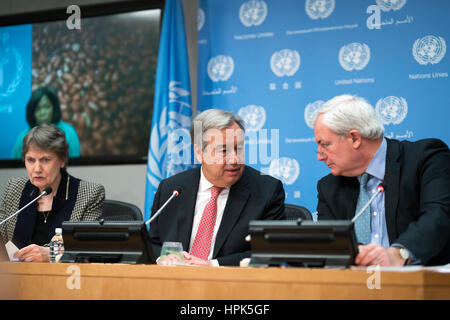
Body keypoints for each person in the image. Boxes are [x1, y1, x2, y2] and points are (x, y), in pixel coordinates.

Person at [313, 94, 450, 266]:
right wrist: (355, 253)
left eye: (324, 144)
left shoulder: (425, 158)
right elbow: (330, 244)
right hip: (356, 288)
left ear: (355, 138)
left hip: (422, 285)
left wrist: (398, 254)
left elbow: (438, 217)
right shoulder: (329, 186)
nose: (319, 156)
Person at [149, 109, 286, 266]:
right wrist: (164, 258)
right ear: (199, 153)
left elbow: (269, 251)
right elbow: (152, 243)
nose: (234, 159)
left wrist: (212, 265)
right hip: (175, 284)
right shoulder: (171, 189)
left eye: (239, 148)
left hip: (232, 286)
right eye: (224, 151)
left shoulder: (266, 190)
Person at [0, 124, 104, 262]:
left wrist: (51, 255)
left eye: (46, 160)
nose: (37, 169)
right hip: (16, 279)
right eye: (31, 160)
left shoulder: (89, 194)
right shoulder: (14, 189)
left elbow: (87, 250)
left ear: (62, 160)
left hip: (65, 280)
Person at [11, 86, 81, 159]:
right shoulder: (23, 137)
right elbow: (16, 167)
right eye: (38, 109)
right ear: (32, 112)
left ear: (54, 108)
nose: (42, 113)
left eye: (47, 107)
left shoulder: (69, 133)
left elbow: (75, 167)